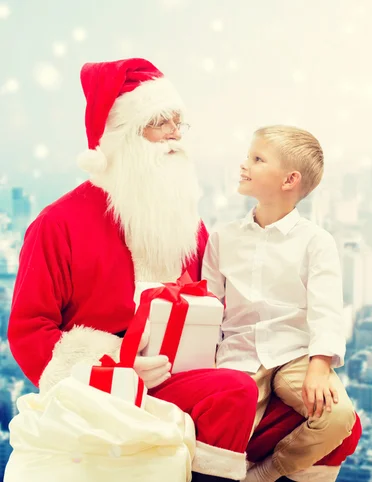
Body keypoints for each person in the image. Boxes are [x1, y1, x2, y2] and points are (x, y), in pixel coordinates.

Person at [8, 58, 252, 482]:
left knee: (307, 417)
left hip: (183, 374)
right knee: (234, 393)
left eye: (179, 122)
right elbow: (29, 330)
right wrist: (112, 364)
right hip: (99, 386)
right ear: (123, 136)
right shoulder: (57, 224)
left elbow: (213, 303)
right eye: (160, 122)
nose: (175, 134)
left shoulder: (188, 225)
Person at [202, 125, 358, 482]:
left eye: (257, 159)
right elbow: (209, 304)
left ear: (289, 180)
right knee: (223, 429)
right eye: (248, 156)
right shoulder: (223, 237)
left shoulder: (316, 242)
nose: (244, 165)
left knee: (337, 417)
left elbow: (326, 310)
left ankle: (266, 474)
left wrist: (320, 366)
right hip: (238, 352)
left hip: (295, 353)